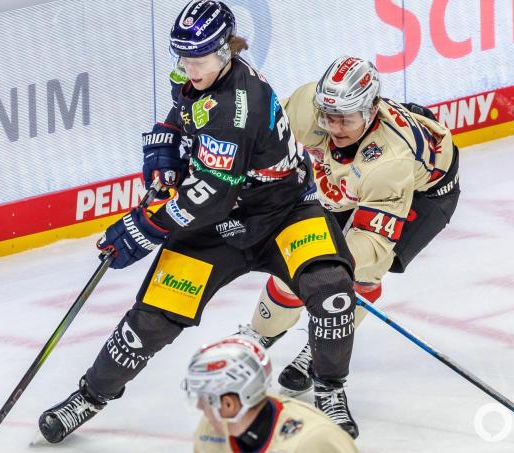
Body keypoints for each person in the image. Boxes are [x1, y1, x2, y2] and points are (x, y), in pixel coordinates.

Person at [37, 1, 361, 443]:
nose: (189, 68)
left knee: (333, 294)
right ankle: (90, 397)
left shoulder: (236, 107)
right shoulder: (193, 76)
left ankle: (328, 388)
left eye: (200, 59)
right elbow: (182, 117)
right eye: (183, 57)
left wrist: (144, 227)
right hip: (218, 227)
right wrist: (164, 151)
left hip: (281, 215)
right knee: (149, 322)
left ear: (225, 52)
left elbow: (211, 195)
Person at [246, 56, 460, 395]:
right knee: (298, 255)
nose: (335, 128)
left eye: (346, 118)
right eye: (329, 117)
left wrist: (319, 262)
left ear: (371, 110)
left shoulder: (390, 162)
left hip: (421, 194)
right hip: (350, 183)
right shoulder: (306, 108)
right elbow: (259, 140)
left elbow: (373, 243)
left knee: (361, 270)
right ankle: (259, 336)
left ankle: (321, 348)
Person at [185, 336, 359, 452]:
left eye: (203, 398)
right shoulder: (211, 431)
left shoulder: (314, 441)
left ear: (229, 404)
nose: (200, 406)